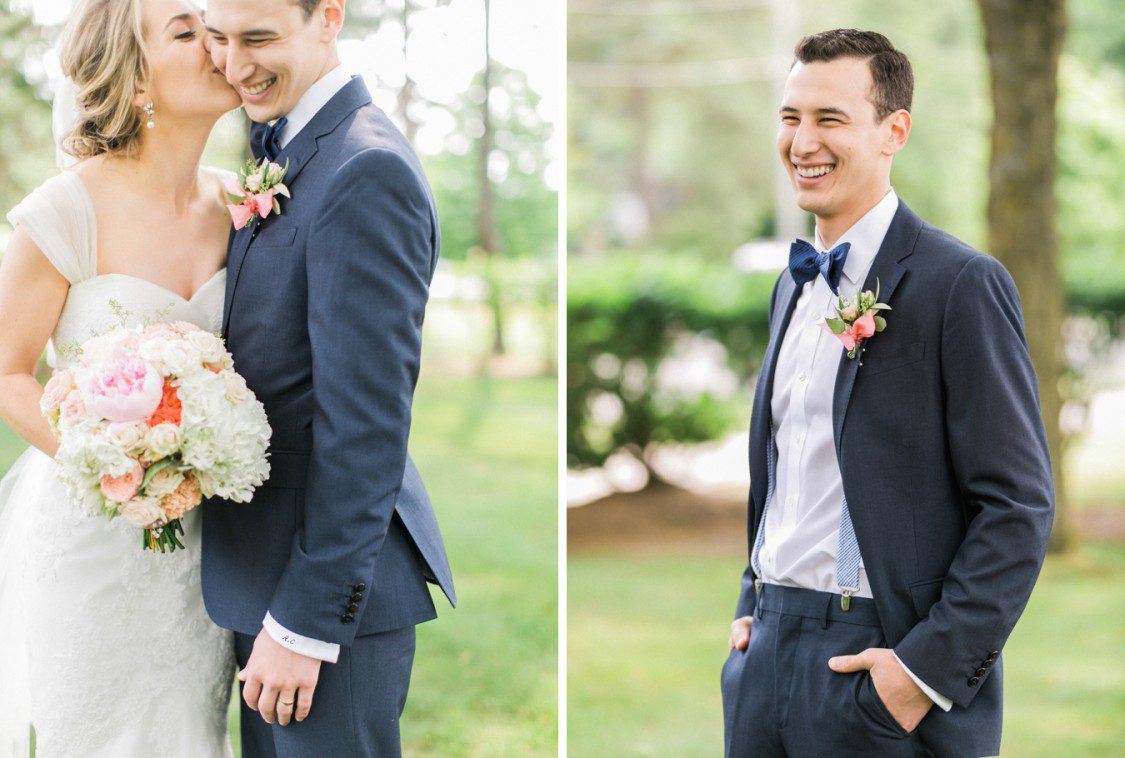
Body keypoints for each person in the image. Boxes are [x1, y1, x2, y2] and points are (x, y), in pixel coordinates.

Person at [721, 29, 1053, 758]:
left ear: (892, 130)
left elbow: (1017, 505)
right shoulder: (791, 286)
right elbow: (789, 468)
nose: (801, 141)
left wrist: (917, 675)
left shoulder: (958, 285)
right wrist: (754, 604)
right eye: (789, 117)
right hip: (765, 656)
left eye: (829, 119)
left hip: (876, 670)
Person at [200, 1, 455, 755]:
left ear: (328, 18)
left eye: (258, 38)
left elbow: (367, 425)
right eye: (218, 38)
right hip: (261, 578)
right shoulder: (284, 144)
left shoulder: (363, 166)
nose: (234, 64)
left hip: (321, 606)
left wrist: (305, 624)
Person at [0, 0, 242, 754]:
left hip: (203, 548)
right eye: (185, 30)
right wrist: (120, 472)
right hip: (91, 537)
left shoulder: (245, 203)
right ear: (136, 79)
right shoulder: (64, 210)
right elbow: (8, 371)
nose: (219, 41)